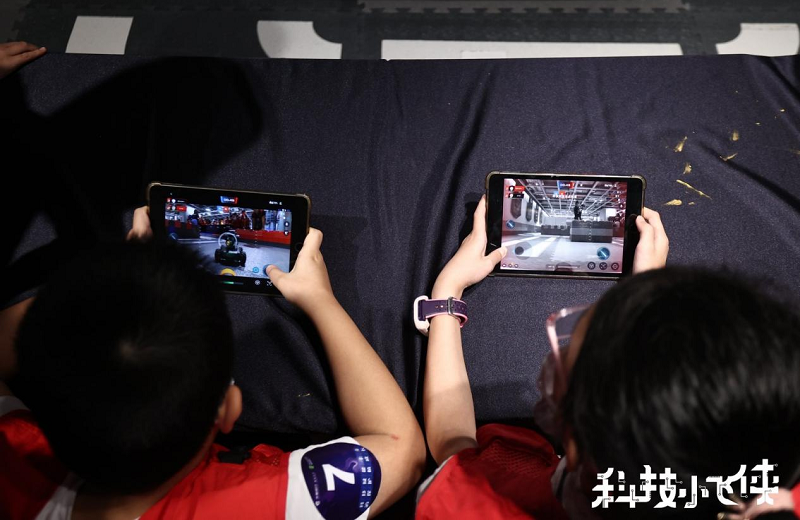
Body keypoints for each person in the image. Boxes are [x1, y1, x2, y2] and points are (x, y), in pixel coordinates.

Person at [0, 207, 425, 519]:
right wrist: (320, 300)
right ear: (228, 409)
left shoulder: (14, 463)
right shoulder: (261, 505)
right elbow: (400, 448)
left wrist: (119, 283)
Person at [416, 197, 800, 519]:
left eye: (570, 350)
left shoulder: (471, 506)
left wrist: (447, 295)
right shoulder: (764, 473)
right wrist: (648, 300)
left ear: (577, 448)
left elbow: (454, 446)